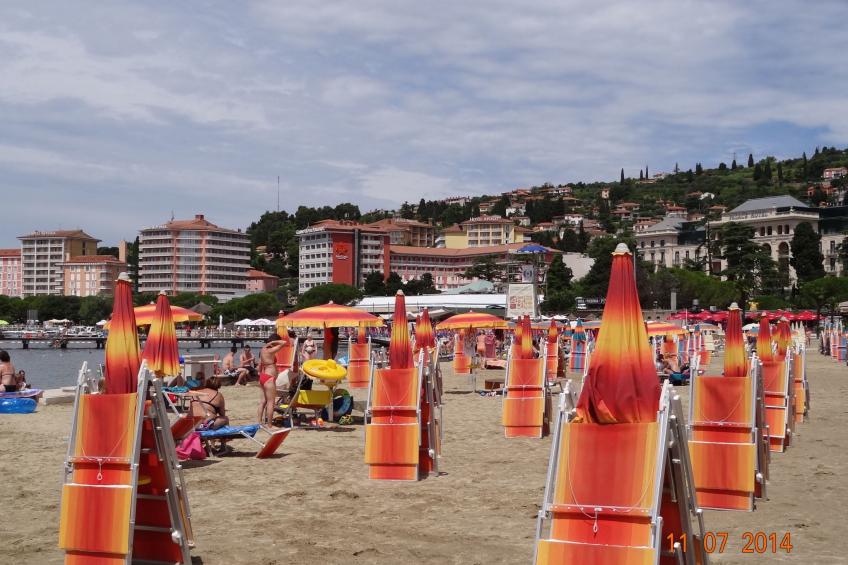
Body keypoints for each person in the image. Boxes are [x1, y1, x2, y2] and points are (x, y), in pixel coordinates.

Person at [258, 334, 289, 426]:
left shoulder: (263, 349)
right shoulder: (271, 350)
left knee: (262, 402)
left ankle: (259, 423)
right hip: (269, 378)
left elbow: (260, 364)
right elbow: (284, 343)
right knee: (271, 402)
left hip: (263, 376)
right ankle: (270, 425)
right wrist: (273, 342)